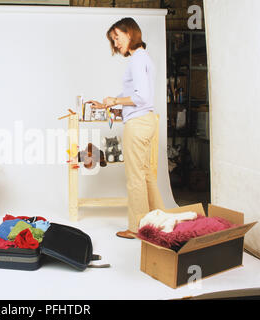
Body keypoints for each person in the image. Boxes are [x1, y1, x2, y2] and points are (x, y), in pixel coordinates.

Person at [88, 17, 165, 239]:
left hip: (138, 123)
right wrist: (108, 103)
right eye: (113, 40)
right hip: (146, 121)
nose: (116, 43)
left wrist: (115, 100)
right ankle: (158, 220)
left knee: (135, 178)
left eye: (117, 37)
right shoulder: (143, 59)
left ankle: (136, 228)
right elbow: (134, 95)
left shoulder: (138, 60)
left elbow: (142, 96)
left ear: (130, 33)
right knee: (146, 174)